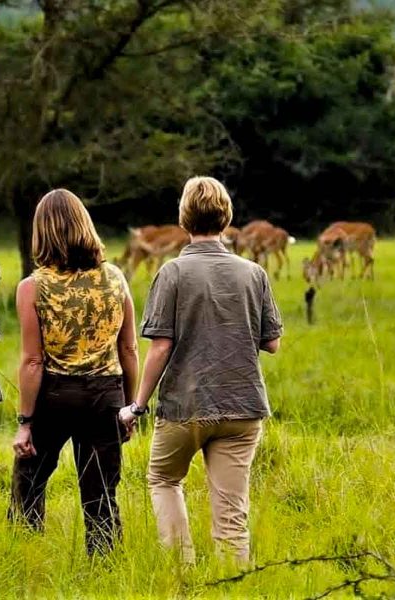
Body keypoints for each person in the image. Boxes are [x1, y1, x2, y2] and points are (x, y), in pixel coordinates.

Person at [119, 176, 283, 564]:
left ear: (184, 218)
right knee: (232, 512)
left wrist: (136, 407)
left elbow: (160, 346)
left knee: (163, 479)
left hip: (184, 406)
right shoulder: (254, 273)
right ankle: (233, 585)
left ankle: (182, 571)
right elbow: (272, 342)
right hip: (242, 406)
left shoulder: (172, 273)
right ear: (227, 218)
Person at [9, 188, 138, 555]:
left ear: (42, 232)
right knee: (101, 494)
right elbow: (128, 348)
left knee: (28, 483)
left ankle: (24, 558)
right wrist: (130, 407)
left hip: (55, 395)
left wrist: (25, 421)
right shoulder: (115, 278)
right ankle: (105, 571)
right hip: (106, 395)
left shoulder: (32, 287)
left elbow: (33, 361)